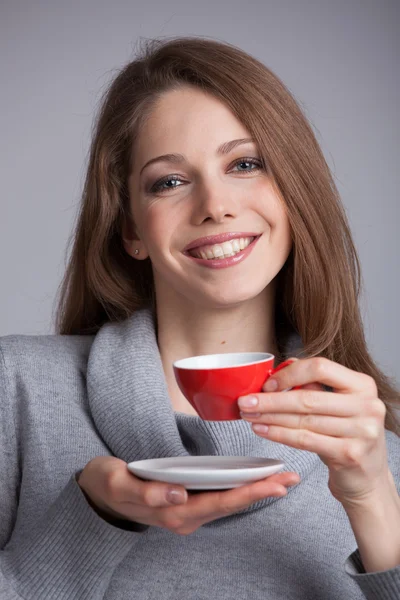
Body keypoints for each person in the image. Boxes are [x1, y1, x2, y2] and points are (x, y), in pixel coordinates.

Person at [0, 36, 399, 600]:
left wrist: (371, 496)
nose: (215, 204)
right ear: (132, 230)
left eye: (245, 164)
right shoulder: (16, 390)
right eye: (170, 181)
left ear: (295, 194)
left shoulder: (372, 446)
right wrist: (91, 516)